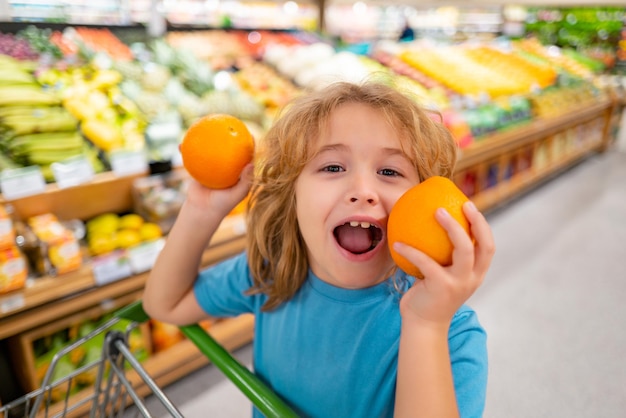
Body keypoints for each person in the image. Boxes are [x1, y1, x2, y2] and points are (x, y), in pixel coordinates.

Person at [143, 80, 495, 418]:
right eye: (332, 166)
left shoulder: (451, 336)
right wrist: (202, 212)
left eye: (389, 171)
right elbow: (165, 304)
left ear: (423, 197)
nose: (362, 190)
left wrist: (425, 326)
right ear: (290, 195)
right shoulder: (272, 271)